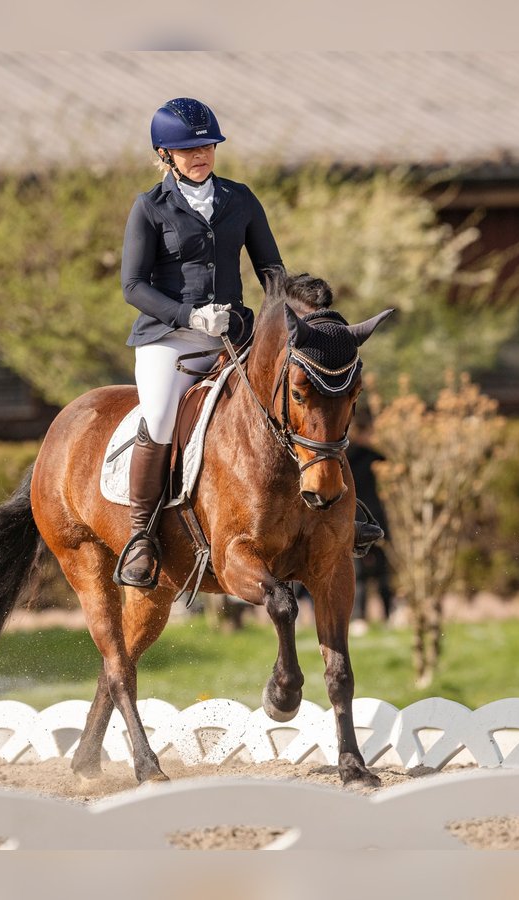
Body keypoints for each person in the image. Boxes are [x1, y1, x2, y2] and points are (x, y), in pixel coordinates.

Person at [117, 98, 381, 588]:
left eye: (207, 146)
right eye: (188, 149)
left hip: (232, 340)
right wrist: (188, 314)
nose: (201, 155)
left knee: (295, 401)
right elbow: (132, 286)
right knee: (157, 418)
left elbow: (273, 276)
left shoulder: (240, 199)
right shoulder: (150, 208)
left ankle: (343, 512)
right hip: (168, 342)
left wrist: (299, 317)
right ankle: (141, 534)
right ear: (165, 154)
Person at [346, 405, 395, 632]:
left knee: (382, 571)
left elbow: (390, 463)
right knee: (359, 572)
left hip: (375, 517)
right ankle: (359, 617)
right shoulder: (351, 456)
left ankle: (388, 613)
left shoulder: (372, 456)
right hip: (358, 518)